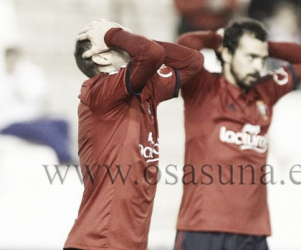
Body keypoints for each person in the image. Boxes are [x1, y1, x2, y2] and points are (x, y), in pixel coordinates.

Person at [174, 18, 301, 249]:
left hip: (253, 232)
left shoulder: (266, 91)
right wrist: (217, 39)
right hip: (202, 229)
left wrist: (261, 45)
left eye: (262, 59)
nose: (257, 66)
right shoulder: (201, 88)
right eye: (250, 57)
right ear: (228, 55)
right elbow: (185, 43)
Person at [63, 19, 203, 250]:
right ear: (101, 57)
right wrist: (114, 34)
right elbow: (150, 53)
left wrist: (119, 36)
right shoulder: (99, 90)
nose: (128, 40)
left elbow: (193, 62)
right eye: (114, 40)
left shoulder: (146, 88)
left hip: (129, 243)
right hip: (99, 241)